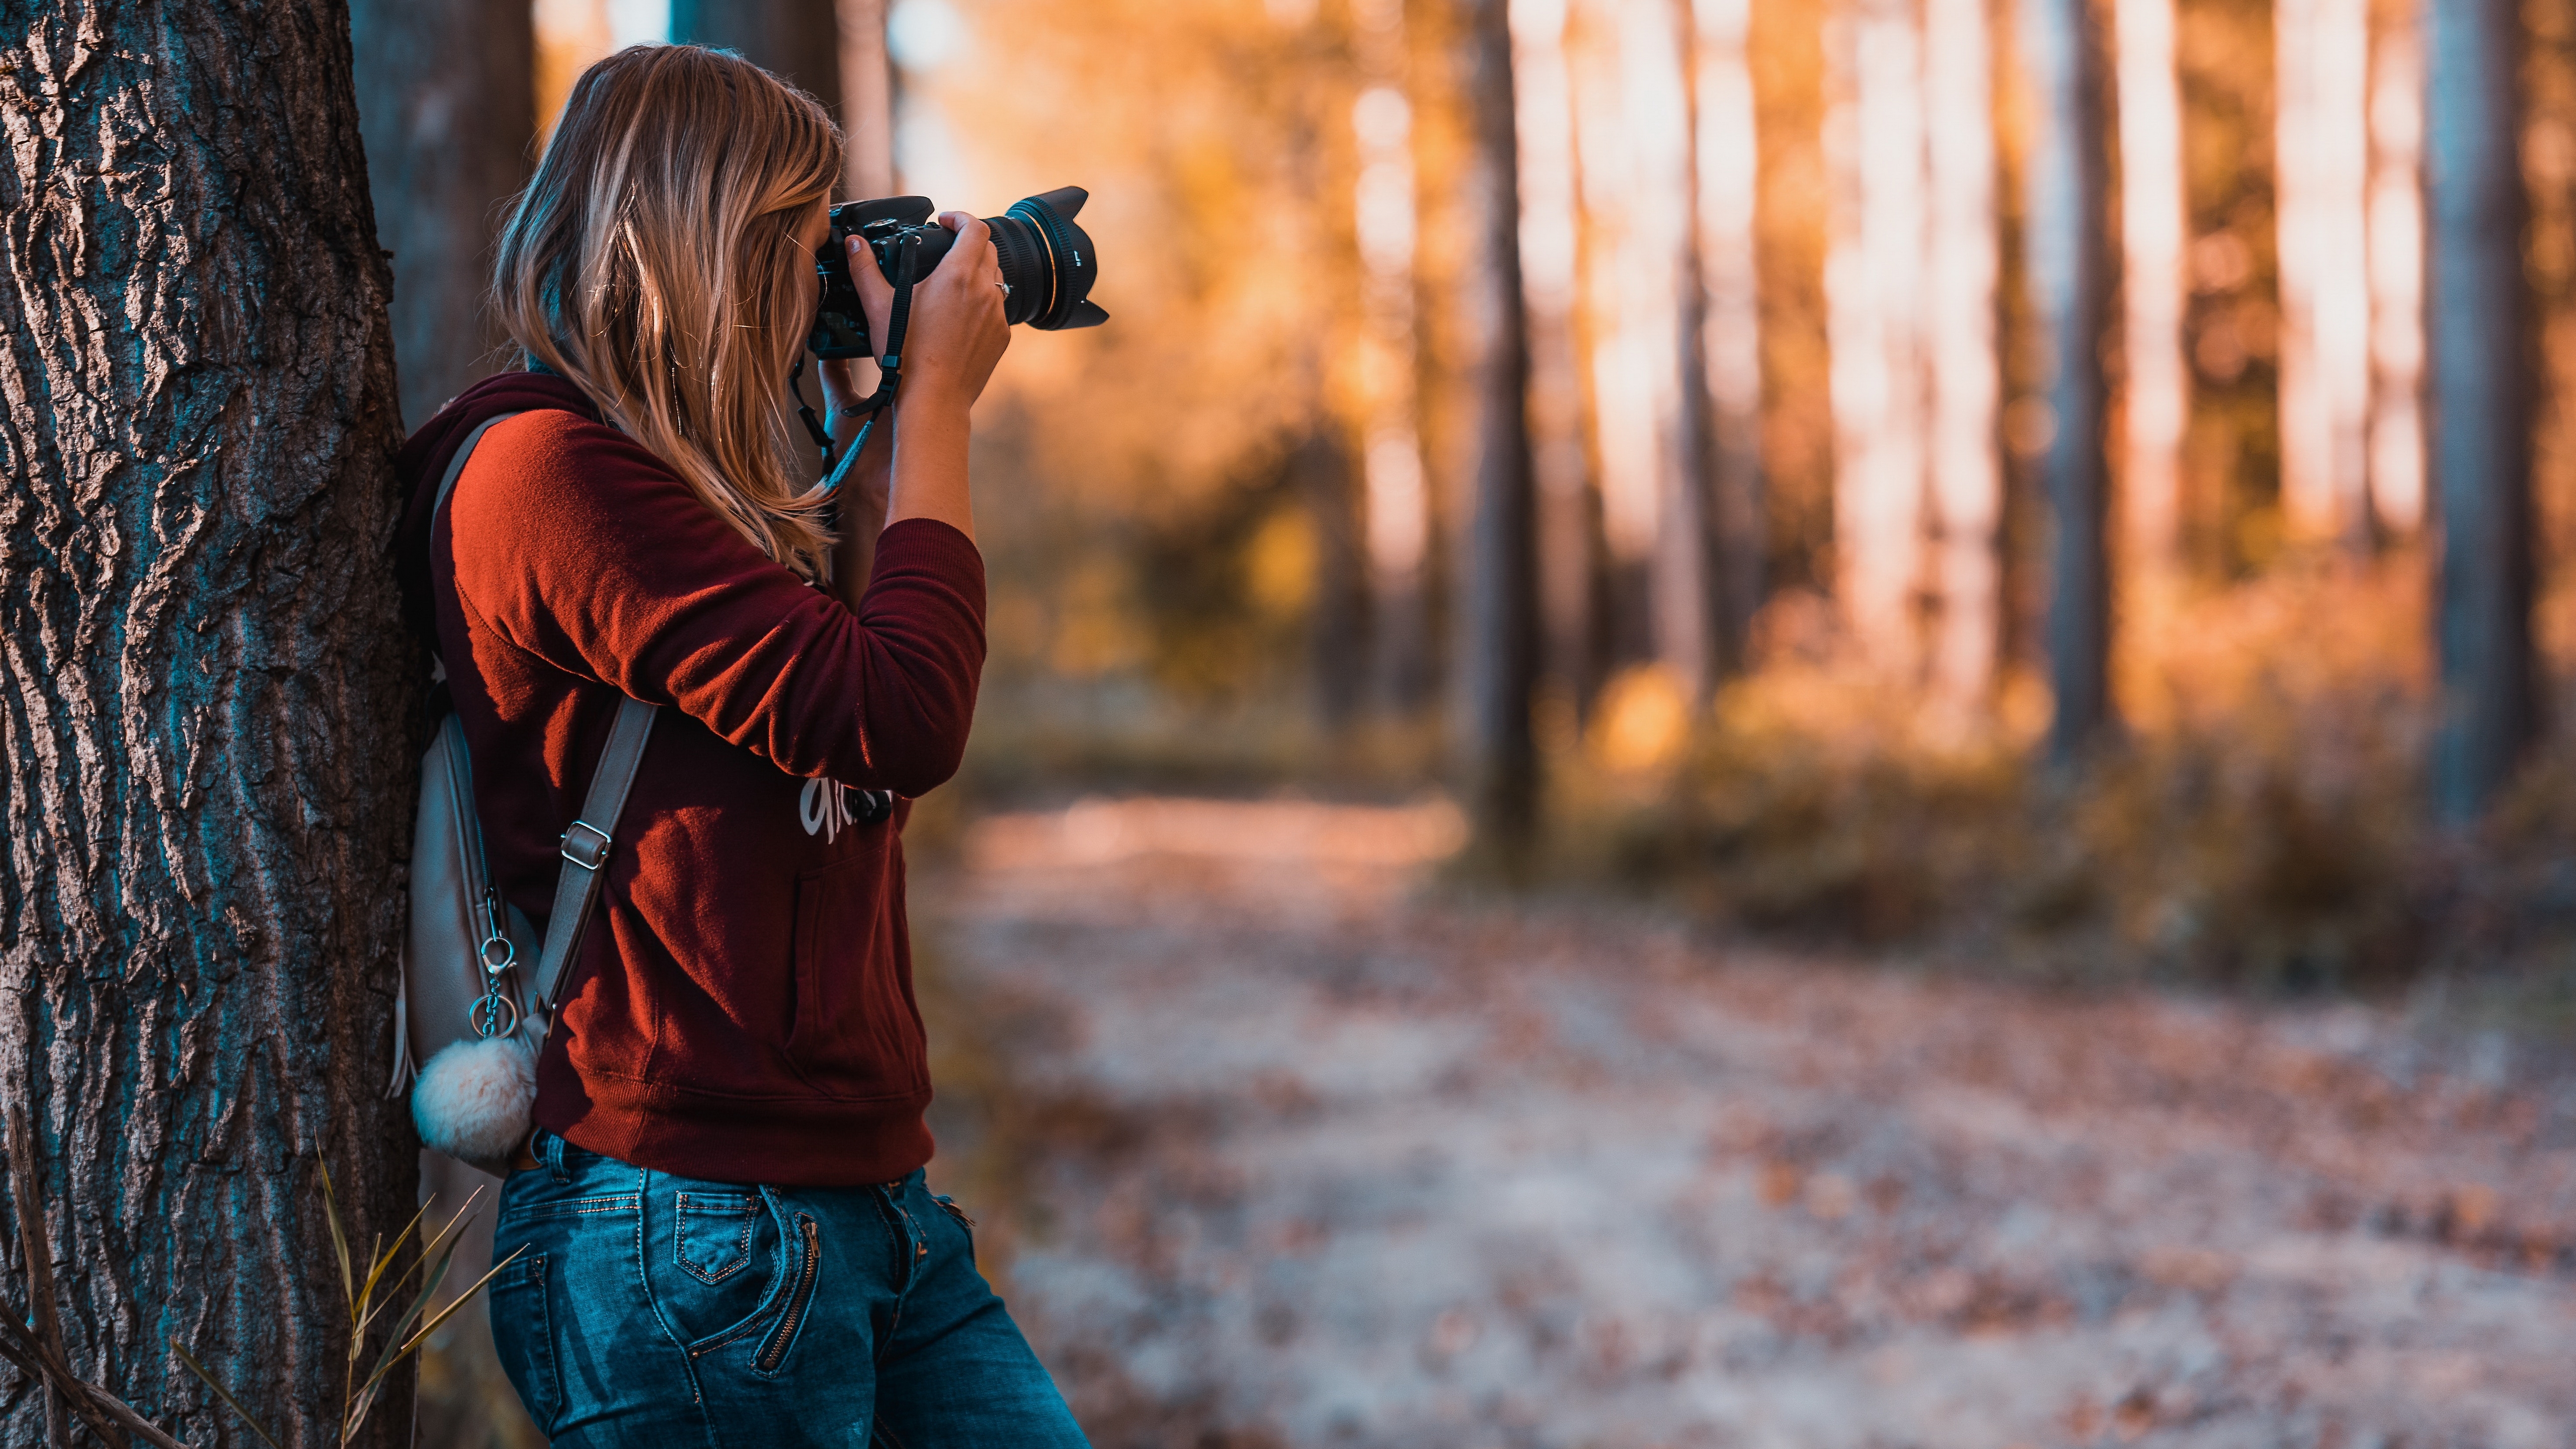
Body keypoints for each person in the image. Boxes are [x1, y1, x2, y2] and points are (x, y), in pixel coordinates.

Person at [391, 44, 1084, 1447]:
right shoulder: (548, 476)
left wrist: (872, 426)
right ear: (718, 243)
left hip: (865, 1206)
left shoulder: (700, 493)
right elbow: (903, 716)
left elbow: (859, 721)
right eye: (801, 235)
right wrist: (937, 401)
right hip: (686, 1222)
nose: (822, 269)